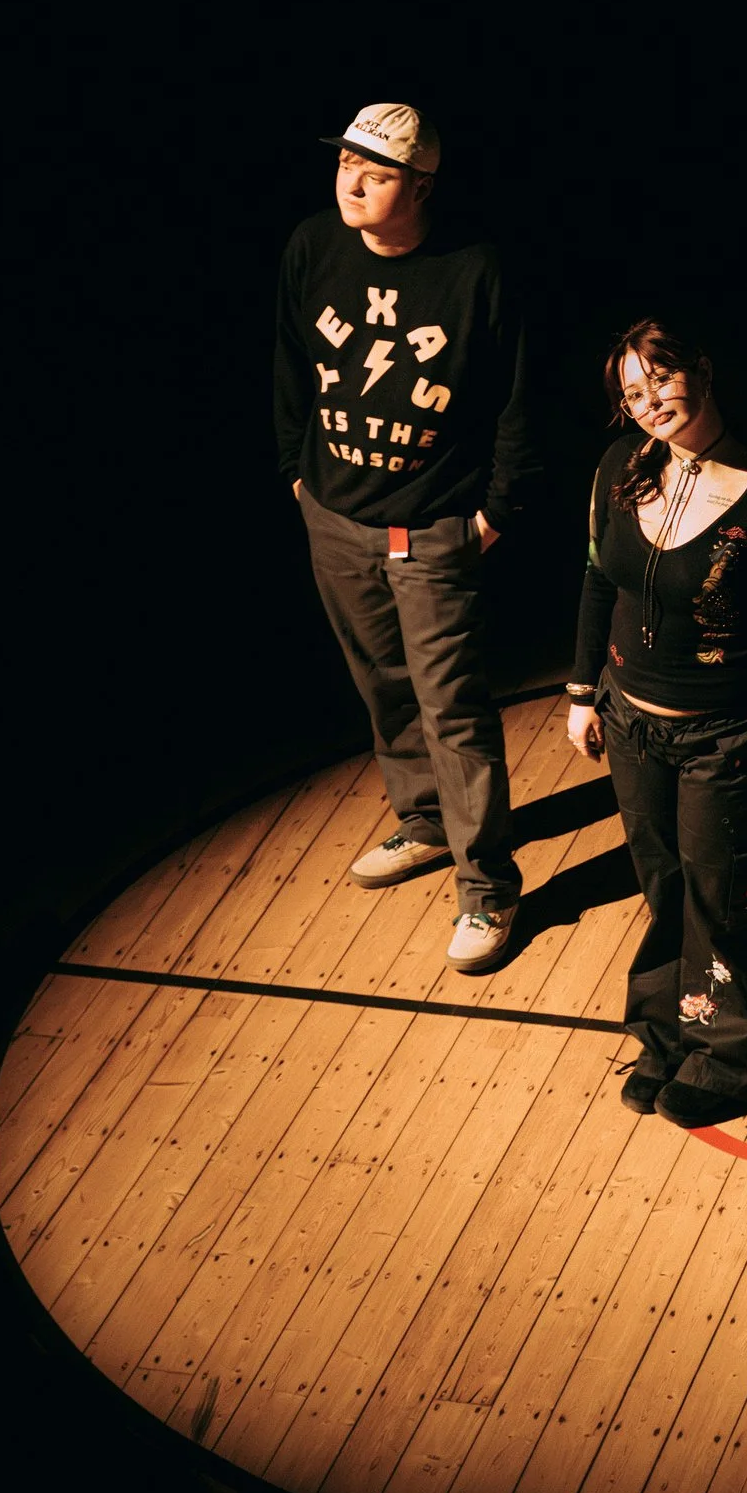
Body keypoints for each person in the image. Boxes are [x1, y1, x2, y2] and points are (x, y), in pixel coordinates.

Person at [275, 100, 533, 972]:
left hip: (429, 527)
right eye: (345, 162)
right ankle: (423, 822)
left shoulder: (475, 271)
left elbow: (515, 400)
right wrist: (298, 475)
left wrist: (496, 512)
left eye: (375, 172)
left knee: (452, 709)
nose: (351, 182)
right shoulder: (314, 245)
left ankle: (489, 888)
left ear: (420, 186)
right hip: (336, 516)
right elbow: (286, 364)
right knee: (382, 687)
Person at [567, 319, 747, 1128]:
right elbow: (598, 583)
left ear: (702, 373)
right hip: (632, 722)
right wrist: (581, 692)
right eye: (632, 395)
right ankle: (666, 1034)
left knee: (727, 898)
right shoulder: (618, 470)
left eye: (662, 382)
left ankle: (732, 1061)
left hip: (724, 737)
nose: (649, 405)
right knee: (664, 886)